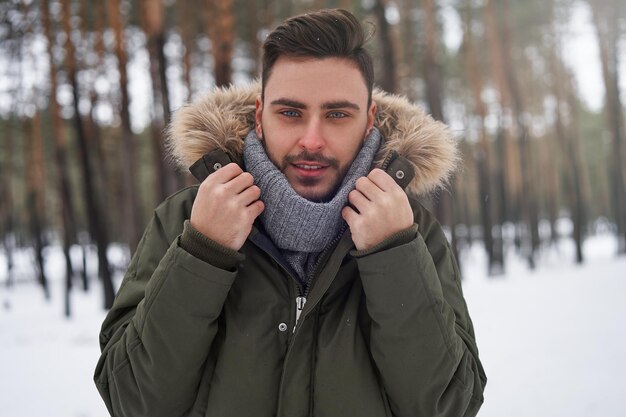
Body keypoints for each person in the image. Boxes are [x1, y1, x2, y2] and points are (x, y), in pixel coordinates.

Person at [94, 8, 486, 417]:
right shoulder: (188, 221)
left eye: (337, 114)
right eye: (290, 113)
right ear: (260, 117)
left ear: (368, 120)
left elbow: (450, 405)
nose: (312, 140)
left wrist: (394, 255)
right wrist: (202, 254)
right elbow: (131, 400)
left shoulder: (410, 231)